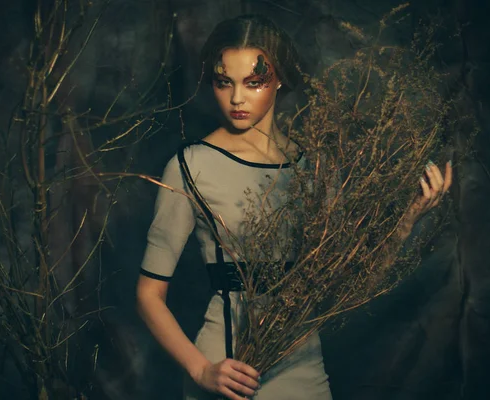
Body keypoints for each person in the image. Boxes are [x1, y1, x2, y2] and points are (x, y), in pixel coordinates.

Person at [135, 14, 452, 400]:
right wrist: (202, 369)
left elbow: (347, 286)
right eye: (224, 82)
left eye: (253, 83)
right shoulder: (189, 166)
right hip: (227, 369)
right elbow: (149, 294)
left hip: (301, 367)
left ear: (279, 77)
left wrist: (409, 218)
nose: (237, 98)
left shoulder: (314, 169)